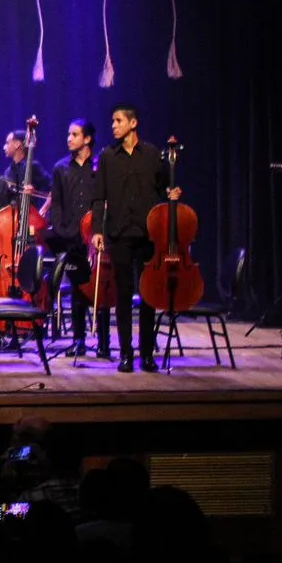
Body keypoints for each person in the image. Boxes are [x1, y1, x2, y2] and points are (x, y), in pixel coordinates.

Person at [91, 104, 180, 373]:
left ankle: (147, 354)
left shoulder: (152, 154)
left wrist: (172, 192)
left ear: (133, 123)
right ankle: (126, 354)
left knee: (148, 296)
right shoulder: (107, 156)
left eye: (118, 121)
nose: (113, 125)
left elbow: (167, 185)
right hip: (119, 234)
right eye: (112, 121)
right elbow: (99, 197)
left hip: (147, 234)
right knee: (123, 295)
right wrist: (97, 230)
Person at [43, 119, 110, 360]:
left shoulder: (100, 166)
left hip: (96, 238)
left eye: (74, 134)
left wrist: (99, 229)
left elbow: (104, 200)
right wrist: (62, 229)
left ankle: (104, 341)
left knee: (101, 289)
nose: (69, 138)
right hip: (71, 237)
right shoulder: (61, 167)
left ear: (88, 139)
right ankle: (78, 339)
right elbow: (57, 202)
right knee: (78, 290)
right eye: (69, 134)